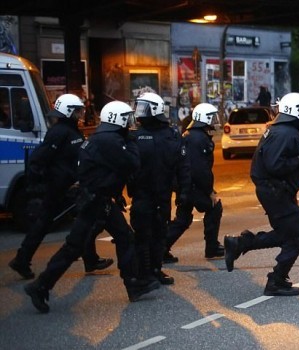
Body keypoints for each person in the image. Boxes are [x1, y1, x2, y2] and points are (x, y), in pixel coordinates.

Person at [24, 101, 160, 313]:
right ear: (117, 119)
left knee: (123, 237)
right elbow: (132, 163)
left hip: (99, 198)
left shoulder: (105, 138)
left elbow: (108, 171)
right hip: (96, 201)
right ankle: (40, 285)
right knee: (75, 246)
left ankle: (133, 283)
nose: (131, 123)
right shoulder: (111, 140)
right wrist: (132, 140)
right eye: (127, 118)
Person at [9, 94, 112, 280]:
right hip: (58, 188)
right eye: (78, 110)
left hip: (68, 187)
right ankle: (22, 260)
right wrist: (37, 187)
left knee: (84, 220)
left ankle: (90, 259)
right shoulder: (59, 132)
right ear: (68, 111)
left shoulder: (71, 130)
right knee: (46, 224)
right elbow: (38, 159)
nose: (82, 113)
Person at [223, 92, 299, 296]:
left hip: (276, 191)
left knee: (285, 234)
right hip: (275, 191)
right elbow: (275, 165)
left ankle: (239, 243)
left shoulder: (280, 130)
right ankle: (276, 281)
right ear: (294, 111)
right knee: (298, 235)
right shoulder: (285, 133)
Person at [128, 93, 191, 285]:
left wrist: (184, 191)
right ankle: (143, 274)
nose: (139, 113)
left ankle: (155, 270)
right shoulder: (134, 135)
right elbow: (126, 166)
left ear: (154, 110)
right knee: (142, 234)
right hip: (142, 193)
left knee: (159, 233)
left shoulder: (171, 135)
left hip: (162, 194)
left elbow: (183, 165)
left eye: (143, 108)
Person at [164, 103, 225, 263]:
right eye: (211, 117)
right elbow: (200, 169)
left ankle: (162, 247)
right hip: (193, 185)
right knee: (214, 208)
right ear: (204, 118)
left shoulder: (190, 135)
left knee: (183, 219)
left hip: (186, 184)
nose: (214, 120)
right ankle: (211, 247)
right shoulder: (199, 139)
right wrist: (209, 191)